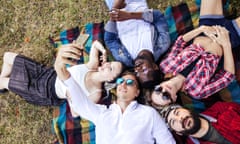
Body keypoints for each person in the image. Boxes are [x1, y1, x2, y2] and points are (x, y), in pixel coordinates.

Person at [55, 57, 176, 144]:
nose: (123, 84)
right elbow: (81, 104)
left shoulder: (149, 114)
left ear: (137, 92)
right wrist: (65, 75)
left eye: (129, 83)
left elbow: (166, 141)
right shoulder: (102, 113)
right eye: (120, 81)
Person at [150, 0, 240, 107]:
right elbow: (227, 77)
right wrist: (226, 44)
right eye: (166, 96)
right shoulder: (197, 91)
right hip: (228, 38)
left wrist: (201, 29)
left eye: (158, 90)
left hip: (207, 25)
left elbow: (180, 42)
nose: (164, 90)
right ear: (174, 99)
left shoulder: (166, 66)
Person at [0, 40, 123, 111]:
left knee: (6, 81)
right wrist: (104, 52)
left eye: (111, 68)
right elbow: (96, 44)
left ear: (111, 79)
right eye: (110, 63)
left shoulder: (95, 93)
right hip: (48, 73)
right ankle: (2, 86)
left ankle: (3, 85)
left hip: (46, 92)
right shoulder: (93, 65)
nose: (107, 65)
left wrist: (71, 97)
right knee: (7, 56)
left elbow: (76, 112)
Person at [104, 0, 169, 88]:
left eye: (136, 73)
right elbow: (158, 17)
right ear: (155, 66)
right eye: (143, 69)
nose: (137, 68)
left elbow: (110, 40)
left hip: (116, 6)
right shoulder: (162, 44)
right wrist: (129, 15)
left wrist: (113, 15)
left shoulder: (125, 59)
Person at [160, 102, 240, 144]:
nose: (179, 119)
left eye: (177, 113)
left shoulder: (221, 108)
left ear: (187, 109)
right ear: (179, 133)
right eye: (173, 122)